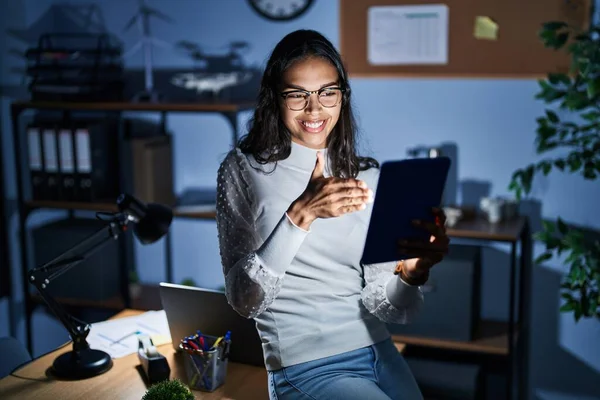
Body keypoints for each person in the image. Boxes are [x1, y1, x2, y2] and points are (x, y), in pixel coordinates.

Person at [215, 29, 450, 400]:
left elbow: (384, 306)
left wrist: (411, 273)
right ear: (274, 98)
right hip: (306, 367)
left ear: (342, 96)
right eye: (297, 95)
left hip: (380, 353)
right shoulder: (245, 169)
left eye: (328, 92)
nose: (314, 109)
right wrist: (301, 213)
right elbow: (244, 299)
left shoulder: (366, 175)